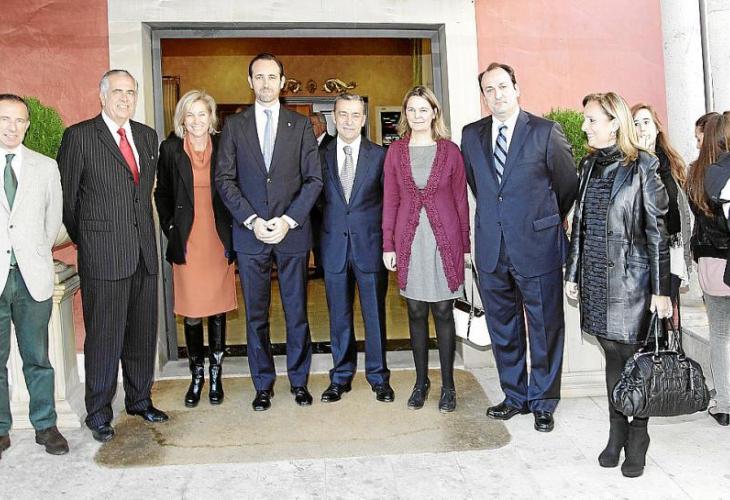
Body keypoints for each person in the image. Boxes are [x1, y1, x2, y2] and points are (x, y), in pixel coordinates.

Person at [460, 62, 578, 432]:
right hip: (492, 248)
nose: (497, 95)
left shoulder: (545, 131)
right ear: (483, 96)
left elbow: (567, 186)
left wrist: (543, 220)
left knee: (545, 328)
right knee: (503, 328)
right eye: (489, 89)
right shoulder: (471, 135)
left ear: (516, 88)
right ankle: (515, 396)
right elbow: (481, 187)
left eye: (502, 86)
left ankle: (543, 401)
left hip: (537, 246)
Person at [58, 69, 168, 443]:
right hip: (103, 257)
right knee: (104, 337)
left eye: (131, 92)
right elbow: (68, 202)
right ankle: (99, 412)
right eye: (118, 91)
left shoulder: (147, 137)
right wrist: (91, 240)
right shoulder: (79, 137)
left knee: (142, 334)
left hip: (144, 255)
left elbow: (143, 197)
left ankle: (139, 400)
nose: (125, 98)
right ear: (102, 96)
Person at [565, 92, 672, 478]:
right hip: (596, 279)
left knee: (634, 361)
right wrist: (573, 273)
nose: (585, 126)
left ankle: (638, 436)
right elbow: (580, 224)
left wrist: (661, 290)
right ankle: (616, 432)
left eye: (591, 120)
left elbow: (657, 232)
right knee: (612, 357)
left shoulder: (643, 164)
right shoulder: (588, 165)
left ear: (614, 123)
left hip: (632, 282)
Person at [216, 53, 322, 411]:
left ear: (282, 82)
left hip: (292, 234)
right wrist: (251, 220)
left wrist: (288, 220)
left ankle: (299, 381)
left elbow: (314, 180)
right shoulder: (234, 126)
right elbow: (224, 179)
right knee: (256, 316)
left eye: (272, 77)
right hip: (251, 235)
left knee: (297, 312)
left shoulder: (301, 125)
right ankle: (262, 384)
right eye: (259, 77)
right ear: (250, 82)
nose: (265, 83)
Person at [382, 85, 469, 413]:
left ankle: (448, 386)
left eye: (423, 109)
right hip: (409, 242)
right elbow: (390, 200)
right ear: (405, 115)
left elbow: (460, 201)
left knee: (444, 312)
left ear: (434, 113)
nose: (417, 115)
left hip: (445, 242)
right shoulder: (395, 152)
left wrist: (465, 246)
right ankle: (421, 382)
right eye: (411, 110)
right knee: (416, 312)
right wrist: (388, 244)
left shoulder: (450, 151)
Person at [155, 90, 236, 408]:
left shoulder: (225, 145)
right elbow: (162, 193)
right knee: (191, 311)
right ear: (182, 119)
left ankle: (216, 376)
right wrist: (170, 228)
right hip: (187, 240)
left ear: (211, 117)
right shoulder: (170, 148)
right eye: (190, 114)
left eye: (202, 114)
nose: (197, 120)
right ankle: (196, 376)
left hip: (218, 239)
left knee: (217, 310)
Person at [0, 94, 68, 458]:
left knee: (38, 357)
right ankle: (0, 428)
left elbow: (53, 220)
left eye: (19, 120)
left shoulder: (46, 167)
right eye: (5, 119)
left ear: (27, 125)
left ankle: (46, 425)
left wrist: (34, 253)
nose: (12, 127)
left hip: (32, 278)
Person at [319, 93, 392, 404]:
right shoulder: (319, 156)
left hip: (370, 247)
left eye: (355, 115)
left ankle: (378, 377)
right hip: (333, 246)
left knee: (374, 315)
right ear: (334, 118)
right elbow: (315, 202)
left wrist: (390, 244)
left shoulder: (380, 156)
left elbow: (389, 203)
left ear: (363, 119)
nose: (349, 121)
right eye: (343, 114)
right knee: (339, 317)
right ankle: (340, 377)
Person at [687, 111, 730, 427]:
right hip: (723, 259)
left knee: (720, 334)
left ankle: (725, 403)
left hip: (710, 264)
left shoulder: (696, 174)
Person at [632, 103, 692, 325]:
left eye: (646, 122)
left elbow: (678, 207)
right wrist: (642, 158)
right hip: (642, 256)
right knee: (646, 323)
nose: (641, 128)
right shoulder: (628, 165)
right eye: (636, 123)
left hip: (671, 251)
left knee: (664, 319)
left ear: (657, 128)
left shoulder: (671, 162)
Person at [309, 111, 333, 278]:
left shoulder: (332, 144)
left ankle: (328, 267)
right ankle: (319, 267)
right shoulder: (307, 145)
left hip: (327, 201)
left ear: (322, 126)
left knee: (329, 237)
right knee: (315, 236)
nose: (309, 128)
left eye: (311, 125)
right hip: (312, 202)